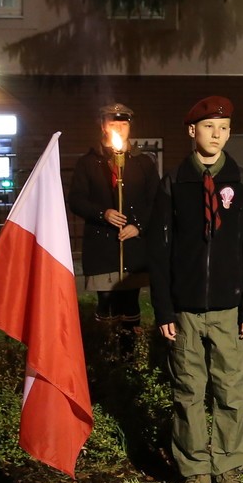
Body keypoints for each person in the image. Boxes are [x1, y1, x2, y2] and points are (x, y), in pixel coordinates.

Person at [147, 96, 243, 483]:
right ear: (191, 131)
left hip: (229, 310)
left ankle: (229, 468)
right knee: (188, 391)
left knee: (231, 392)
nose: (217, 135)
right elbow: (159, 252)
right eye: (209, 127)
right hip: (185, 310)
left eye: (224, 128)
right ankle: (194, 470)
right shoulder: (174, 184)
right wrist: (164, 308)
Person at [69, 102, 160, 352]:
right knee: (107, 303)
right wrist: (103, 213)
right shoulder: (89, 163)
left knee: (130, 303)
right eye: (113, 123)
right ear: (103, 126)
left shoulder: (143, 163)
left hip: (132, 248)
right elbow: (76, 200)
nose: (119, 128)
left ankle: (130, 357)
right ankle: (105, 357)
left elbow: (156, 201)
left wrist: (138, 226)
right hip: (102, 248)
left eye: (123, 123)